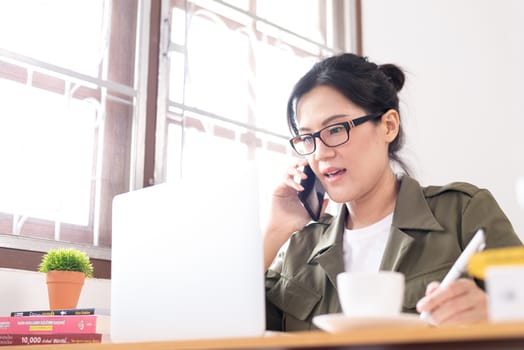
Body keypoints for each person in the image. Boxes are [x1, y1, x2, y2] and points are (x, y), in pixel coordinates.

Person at [263, 53, 523, 331]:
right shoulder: (298, 250)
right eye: (308, 138)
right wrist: (276, 231)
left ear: (388, 126)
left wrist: (496, 313)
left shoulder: (463, 213)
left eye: (336, 129)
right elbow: (226, 331)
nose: (322, 152)